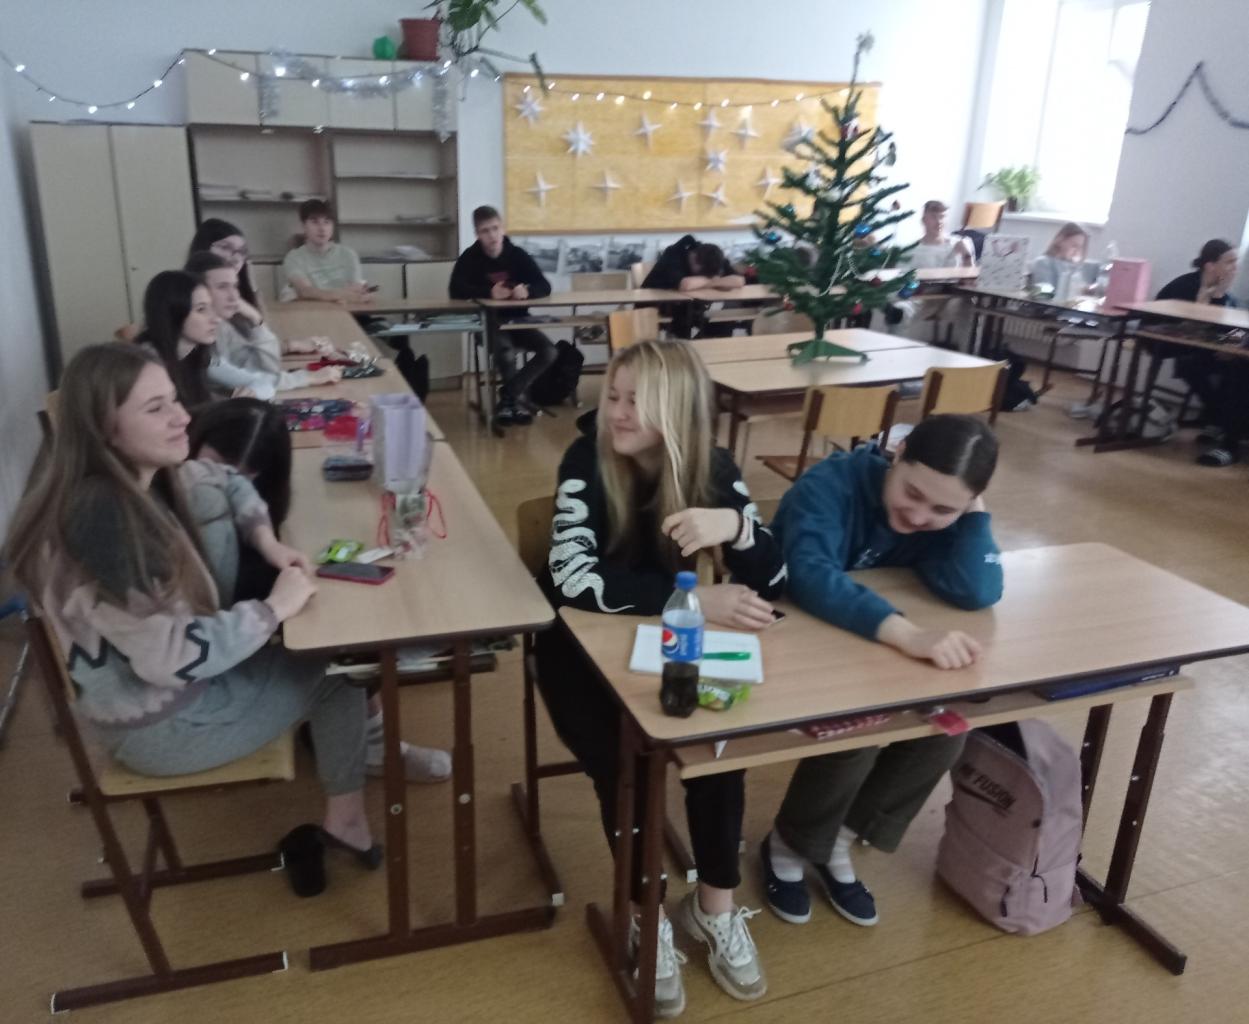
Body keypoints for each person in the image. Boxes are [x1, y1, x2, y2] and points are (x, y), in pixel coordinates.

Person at [4, 343, 376, 864]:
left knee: (309, 640)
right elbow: (169, 660)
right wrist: (273, 608)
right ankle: (350, 820)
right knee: (340, 671)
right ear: (104, 428)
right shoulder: (107, 524)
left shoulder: (135, 477)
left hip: (159, 699)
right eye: (155, 408)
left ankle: (357, 776)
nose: (182, 417)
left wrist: (268, 542)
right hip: (163, 727)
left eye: (174, 400)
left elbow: (227, 480)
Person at [536, 340, 786, 1015]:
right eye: (612, 396)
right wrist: (690, 599)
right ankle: (645, 910)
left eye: (634, 402)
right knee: (628, 766)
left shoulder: (713, 468)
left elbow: (776, 577)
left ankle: (715, 907)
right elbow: (572, 579)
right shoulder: (585, 460)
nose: (615, 412)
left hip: (672, 646)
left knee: (718, 750)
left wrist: (736, 526)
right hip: (576, 651)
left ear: (676, 411)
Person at [761, 415, 1003, 930]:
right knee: (860, 730)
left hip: (870, 642)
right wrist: (908, 636)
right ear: (898, 452)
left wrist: (973, 518)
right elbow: (808, 573)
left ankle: (839, 839)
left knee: (944, 731)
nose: (918, 515)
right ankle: (789, 843)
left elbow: (978, 590)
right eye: (913, 493)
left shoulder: (951, 515)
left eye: (944, 509)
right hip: (796, 638)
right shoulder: (831, 483)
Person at [188, 398, 452, 785]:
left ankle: (365, 737)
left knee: (344, 614)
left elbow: (241, 503)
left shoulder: (231, 501)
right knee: (345, 637)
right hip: (213, 657)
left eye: (246, 476)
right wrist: (277, 597)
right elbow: (218, 603)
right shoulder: (186, 504)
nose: (225, 484)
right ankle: (371, 743)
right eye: (214, 466)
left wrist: (270, 547)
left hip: (224, 632)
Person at [448, 205, 556, 426]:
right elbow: (455, 290)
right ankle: (513, 404)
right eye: (485, 231)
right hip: (487, 322)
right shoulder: (470, 257)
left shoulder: (517, 255)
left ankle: (509, 395)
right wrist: (488, 292)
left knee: (549, 351)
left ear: (503, 228)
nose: (492, 235)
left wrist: (527, 291)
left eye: (495, 228)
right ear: (477, 234)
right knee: (506, 353)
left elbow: (544, 285)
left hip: (518, 321)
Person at [185, 251, 341, 399]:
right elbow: (265, 374)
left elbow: (261, 376)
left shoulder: (222, 328)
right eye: (222, 287)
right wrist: (307, 377)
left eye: (234, 286)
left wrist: (256, 319)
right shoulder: (202, 339)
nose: (233, 296)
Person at [1156, 239, 1244, 467]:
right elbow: (1192, 329)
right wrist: (1211, 298)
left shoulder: (1224, 293)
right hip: (1172, 343)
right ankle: (1219, 422)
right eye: (1230, 262)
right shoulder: (1186, 286)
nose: (1235, 268)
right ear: (1210, 265)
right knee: (1197, 364)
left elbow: (1232, 329)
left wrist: (1231, 345)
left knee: (1233, 363)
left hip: (1202, 346)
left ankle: (1218, 422)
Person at [135, 269, 220, 408]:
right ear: (173, 313)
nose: (216, 319)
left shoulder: (194, 354)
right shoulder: (148, 365)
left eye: (212, 307)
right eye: (201, 309)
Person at [642, 236, 746, 338]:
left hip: (690, 307)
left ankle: (707, 345)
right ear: (694, 258)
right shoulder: (674, 254)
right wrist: (715, 280)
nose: (704, 275)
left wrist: (709, 281)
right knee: (684, 316)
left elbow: (739, 280)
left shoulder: (712, 257)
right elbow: (685, 284)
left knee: (723, 321)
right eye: (703, 273)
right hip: (655, 305)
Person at [282, 199, 373, 305]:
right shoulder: (294, 257)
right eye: (315, 222)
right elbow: (305, 291)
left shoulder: (348, 254)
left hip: (348, 310)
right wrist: (341, 295)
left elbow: (356, 289)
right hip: (312, 311)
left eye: (327, 222)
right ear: (303, 226)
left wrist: (323, 295)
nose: (322, 228)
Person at [1031, 222, 1098, 296]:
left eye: (1080, 247)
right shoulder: (1044, 262)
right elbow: (1044, 293)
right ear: (1061, 241)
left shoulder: (1075, 266)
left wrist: (1087, 290)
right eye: (1074, 246)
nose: (1077, 251)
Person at [908, 200, 975, 270]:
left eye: (942, 217)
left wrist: (966, 255)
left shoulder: (963, 243)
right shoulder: (911, 251)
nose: (939, 222)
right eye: (933, 217)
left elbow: (971, 275)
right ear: (923, 220)